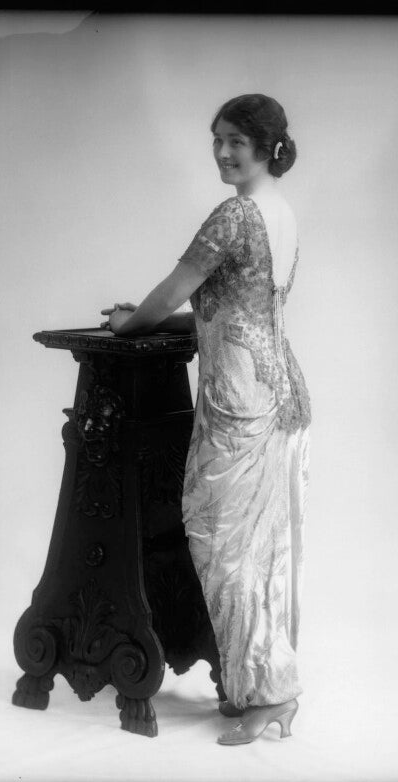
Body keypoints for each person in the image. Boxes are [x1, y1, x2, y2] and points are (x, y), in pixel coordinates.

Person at [101, 94, 311, 745]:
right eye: (216, 140)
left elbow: (175, 290)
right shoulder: (282, 212)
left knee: (227, 548)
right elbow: (228, 308)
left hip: (240, 401)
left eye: (235, 141)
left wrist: (129, 323)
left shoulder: (237, 215)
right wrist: (161, 321)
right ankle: (260, 688)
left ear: (268, 147)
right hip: (279, 392)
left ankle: (270, 694)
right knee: (260, 552)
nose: (222, 153)